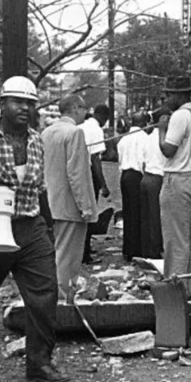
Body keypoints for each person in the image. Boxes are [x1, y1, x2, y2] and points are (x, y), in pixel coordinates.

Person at [0, 76, 69, 382]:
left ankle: (39, 365)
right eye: (18, 102)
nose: (25, 108)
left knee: (44, 292)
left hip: (28, 225)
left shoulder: (36, 140)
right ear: (2, 104)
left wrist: (48, 227)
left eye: (30, 103)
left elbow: (39, 188)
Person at [42, 94, 98, 299]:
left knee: (53, 253)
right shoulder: (75, 133)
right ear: (75, 108)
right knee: (68, 258)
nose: (85, 113)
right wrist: (85, 206)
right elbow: (77, 173)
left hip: (49, 203)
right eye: (84, 109)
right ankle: (62, 298)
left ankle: (51, 294)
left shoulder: (46, 132)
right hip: (69, 205)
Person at [159, 76, 191, 294]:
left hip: (178, 179)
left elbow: (168, 149)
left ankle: (174, 290)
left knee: (176, 239)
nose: (166, 98)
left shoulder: (179, 116)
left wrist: (162, 128)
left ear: (180, 95)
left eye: (169, 94)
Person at [78, 104, 111, 264]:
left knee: (81, 212)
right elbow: (95, 159)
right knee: (90, 213)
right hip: (90, 174)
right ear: (103, 117)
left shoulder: (81, 127)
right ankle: (85, 253)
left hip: (79, 173)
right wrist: (103, 184)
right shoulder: (96, 130)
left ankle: (83, 248)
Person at [118, 112, 148, 261]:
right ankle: (136, 249)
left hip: (124, 175)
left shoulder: (123, 139)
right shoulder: (144, 138)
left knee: (128, 212)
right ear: (144, 123)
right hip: (137, 176)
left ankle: (127, 248)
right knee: (138, 214)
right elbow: (144, 161)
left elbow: (119, 158)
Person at [140, 116, 166, 259]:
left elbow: (143, 161)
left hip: (146, 177)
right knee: (156, 217)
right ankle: (155, 251)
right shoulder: (164, 140)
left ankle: (146, 250)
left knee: (146, 217)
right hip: (157, 177)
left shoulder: (148, 138)